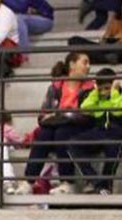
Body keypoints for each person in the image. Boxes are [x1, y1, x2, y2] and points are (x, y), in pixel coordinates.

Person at [23, 52, 94, 194]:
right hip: (57, 125)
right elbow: (42, 115)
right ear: (72, 65)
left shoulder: (90, 88)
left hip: (80, 127)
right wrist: (61, 116)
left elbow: (86, 116)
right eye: (84, 62)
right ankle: (28, 182)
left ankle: (67, 182)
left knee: (62, 133)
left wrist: (61, 115)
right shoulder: (55, 87)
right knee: (44, 134)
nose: (88, 67)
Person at [70, 66, 122, 194]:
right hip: (101, 131)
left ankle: (106, 185)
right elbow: (85, 107)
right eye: (101, 89)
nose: (104, 92)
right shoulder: (97, 98)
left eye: (107, 88)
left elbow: (120, 110)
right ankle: (94, 181)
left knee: (112, 145)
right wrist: (95, 92)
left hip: (120, 131)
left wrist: (114, 92)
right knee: (73, 143)